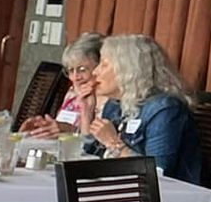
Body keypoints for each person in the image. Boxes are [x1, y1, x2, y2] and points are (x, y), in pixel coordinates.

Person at [82, 32, 203, 183]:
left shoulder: (165, 110)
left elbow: (157, 174)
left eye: (104, 65)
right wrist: (87, 111)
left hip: (165, 199)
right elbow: (86, 153)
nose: (95, 71)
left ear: (130, 70)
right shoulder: (115, 105)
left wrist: (114, 144)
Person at [19, 31, 103, 137]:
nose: (75, 77)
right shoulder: (72, 93)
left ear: (100, 66)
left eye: (82, 70)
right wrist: (41, 129)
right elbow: (60, 127)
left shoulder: (105, 100)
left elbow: (94, 144)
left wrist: (67, 129)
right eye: (71, 71)